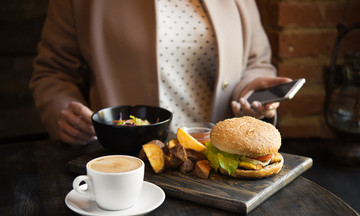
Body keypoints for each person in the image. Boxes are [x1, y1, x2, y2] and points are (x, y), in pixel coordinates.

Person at [30, 0, 291, 145]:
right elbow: (54, 72)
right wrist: (63, 112)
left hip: (217, 166)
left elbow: (256, 63)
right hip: (126, 167)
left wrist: (253, 92)